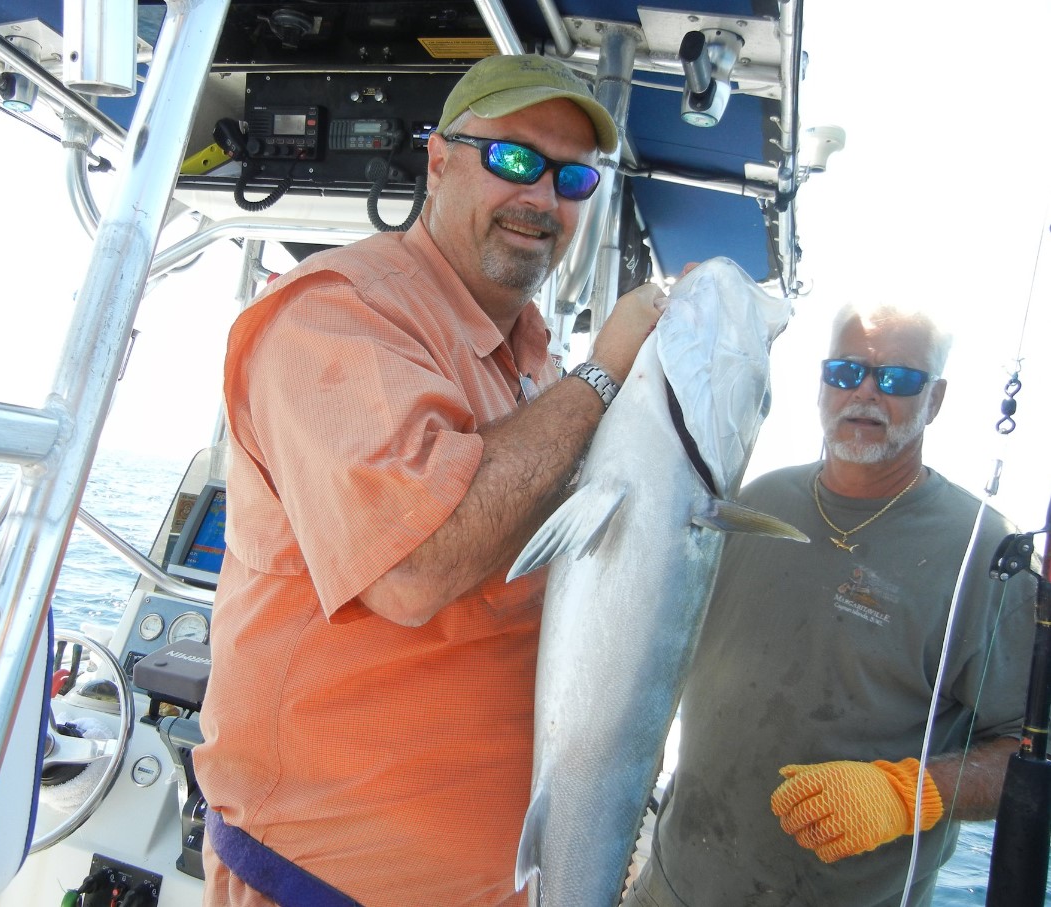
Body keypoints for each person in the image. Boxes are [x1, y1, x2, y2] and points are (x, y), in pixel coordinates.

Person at [194, 54, 667, 907]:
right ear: (438, 161)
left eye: (571, 177)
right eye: (513, 160)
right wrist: (604, 377)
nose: (540, 197)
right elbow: (414, 566)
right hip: (321, 883)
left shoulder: (533, 368)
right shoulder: (337, 312)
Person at [626, 302, 1038, 906]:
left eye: (898, 379)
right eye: (846, 372)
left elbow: (1030, 756)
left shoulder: (986, 554)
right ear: (821, 381)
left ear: (938, 398)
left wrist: (910, 793)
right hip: (672, 883)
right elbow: (667, 649)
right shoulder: (752, 504)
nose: (865, 393)